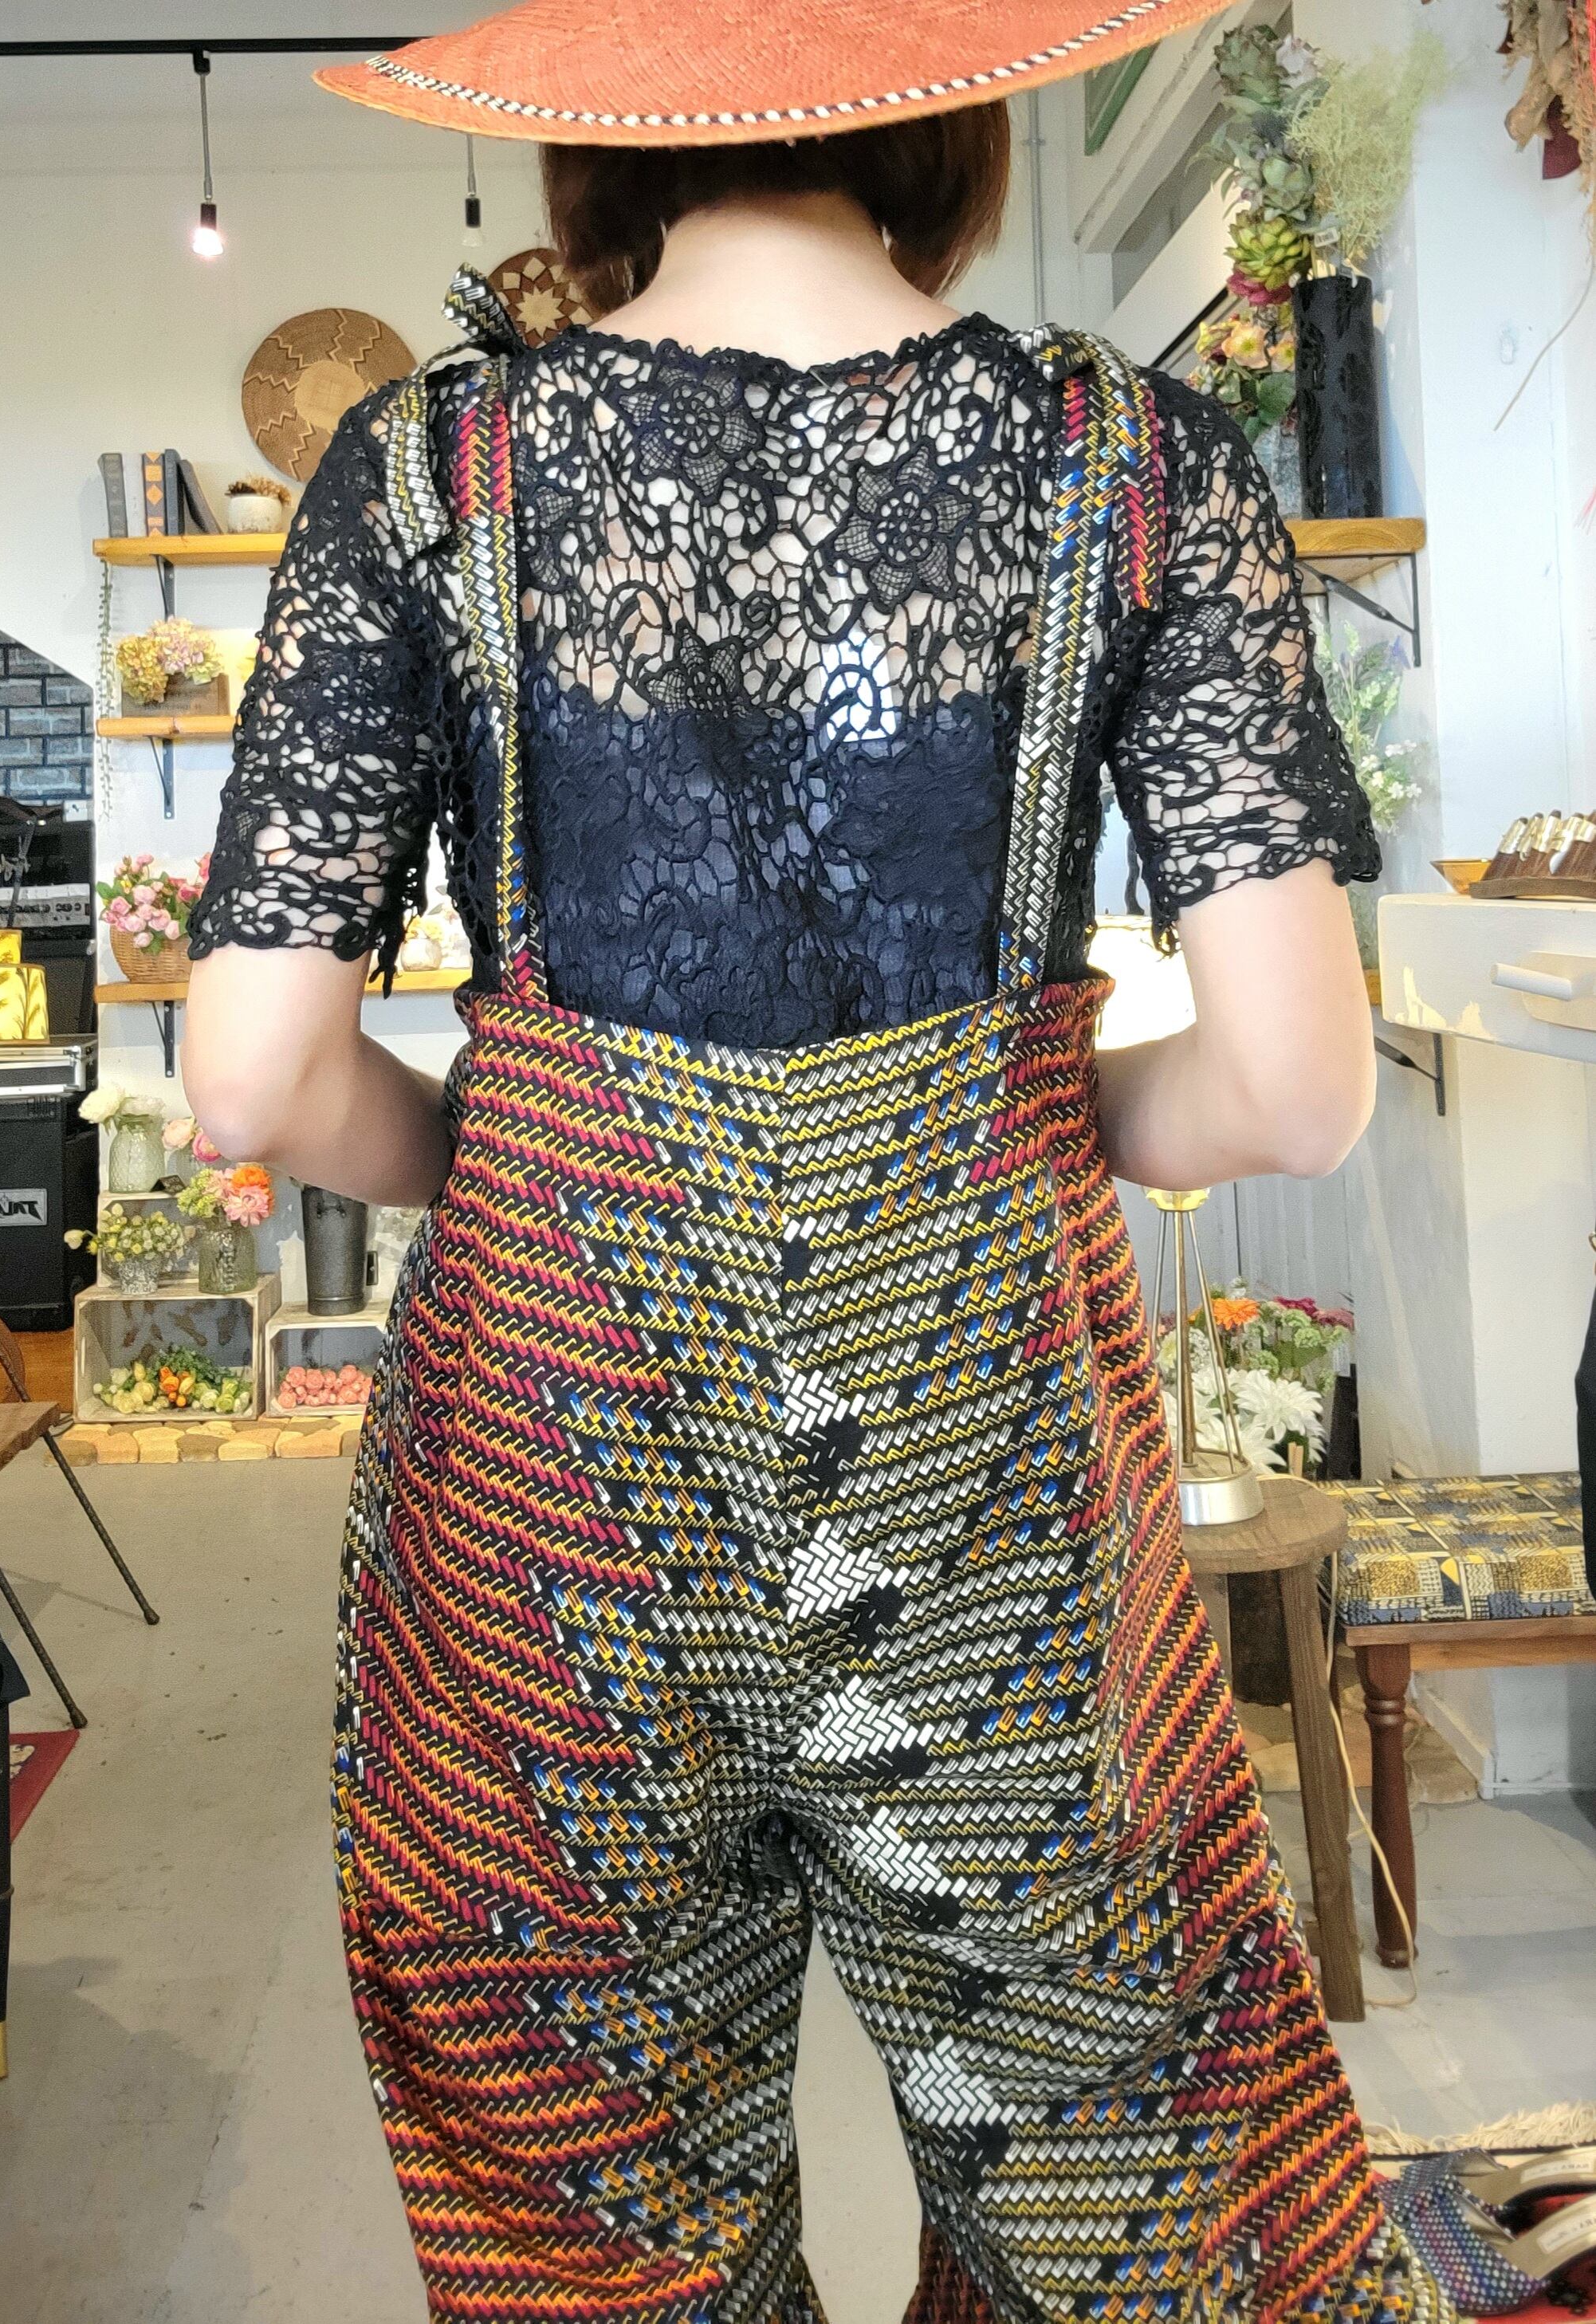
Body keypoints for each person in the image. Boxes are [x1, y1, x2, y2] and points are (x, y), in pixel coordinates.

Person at [183, 7, 1447, 2319]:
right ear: (942, 102)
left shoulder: (423, 469)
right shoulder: (1127, 463)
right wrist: (1020, 1120)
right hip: (988, 1455)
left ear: (600, 126)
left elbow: (254, 1082)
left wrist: (514, 1152)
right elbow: (1290, 1091)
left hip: (547, 1465)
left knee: (588, 2212)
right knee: (1137, 2178)